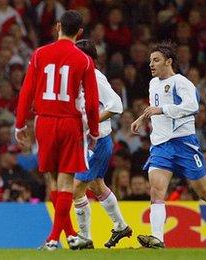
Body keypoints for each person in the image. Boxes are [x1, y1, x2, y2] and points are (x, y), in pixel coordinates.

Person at [131, 41, 206, 249]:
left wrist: (162, 110)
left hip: (185, 145)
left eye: (156, 60)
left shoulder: (181, 82)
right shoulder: (153, 84)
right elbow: (154, 107)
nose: (151, 64)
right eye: (150, 60)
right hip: (161, 145)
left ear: (168, 61)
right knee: (156, 190)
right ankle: (158, 239)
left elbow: (192, 106)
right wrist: (142, 117)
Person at [14, 10, 100, 250]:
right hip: (70, 123)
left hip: (44, 122)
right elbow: (92, 103)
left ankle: (66, 235)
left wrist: (20, 123)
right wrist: (93, 131)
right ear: (80, 32)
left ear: (58, 26)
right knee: (65, 182)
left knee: (52, 178)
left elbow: (27, 91)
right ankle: (56, 238)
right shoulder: (84, 60)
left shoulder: (40, 53)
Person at [71, 39, 131, 249]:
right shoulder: (78, 78)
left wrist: (92, 122)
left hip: (97, 141)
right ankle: (121, 226)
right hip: (88, 141)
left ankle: (84, 239)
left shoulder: (95, 77)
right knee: (97, 185)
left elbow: (117, 106)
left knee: (77, 188)